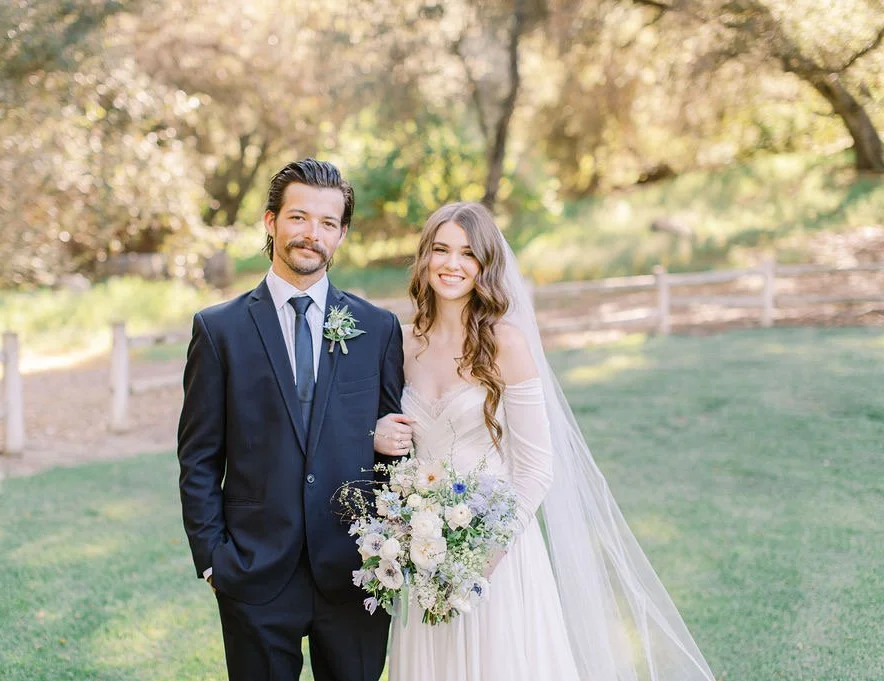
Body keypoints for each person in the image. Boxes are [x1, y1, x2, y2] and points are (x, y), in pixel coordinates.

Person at [374, 202, 718, 681]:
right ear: (425, 258)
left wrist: (481, 558)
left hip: (495, 553)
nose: (452, 264)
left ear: (485, 265)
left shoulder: (504, 344)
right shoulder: (403, 341)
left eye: (468, 254)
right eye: (441, 250)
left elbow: (536, 468)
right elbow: (388, 433)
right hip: (425, 551)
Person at [177, 159, 411, 681]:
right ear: (270, 221)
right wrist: (215, 560)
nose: (313, 234)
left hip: (356, 572)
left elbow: (396, 452)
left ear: (342, 234)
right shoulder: (219, 331)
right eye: (299, 217)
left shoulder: (377, 329)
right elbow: (198, 457)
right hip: (255, 574)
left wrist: (391, 546)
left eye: (328, 223)